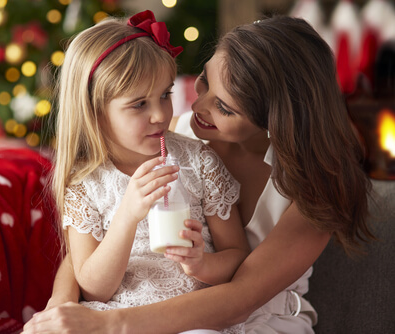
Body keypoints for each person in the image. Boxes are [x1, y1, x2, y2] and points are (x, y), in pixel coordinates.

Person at [23, 15, 374, 334]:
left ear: (275, 123)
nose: (196, 106)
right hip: (142, 310)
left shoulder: (315, 196)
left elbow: (236, 301)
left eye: (224, 107)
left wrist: (106, 324)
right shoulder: (175, 137)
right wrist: (61, 304)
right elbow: (93, 235)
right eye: (204, 81)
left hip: (244, 318)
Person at [32, 10, 250, 334]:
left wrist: (202, 264)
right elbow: (94, 289)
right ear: (95, 113)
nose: (160, 115)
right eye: (139, 105)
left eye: (165, 95)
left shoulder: (198, 161)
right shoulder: (86, 184)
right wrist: (127, 216)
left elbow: (238, 255)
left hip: (192, 319)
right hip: (114, 319)